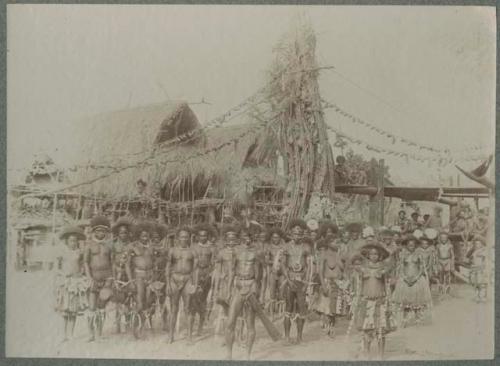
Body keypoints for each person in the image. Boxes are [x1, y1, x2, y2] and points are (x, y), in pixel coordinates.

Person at [225, 226, 264, 360]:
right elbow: (231, 271)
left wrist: (257, 291)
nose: (247, 238)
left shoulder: (257, 252)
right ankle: (229, 355)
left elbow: (259, 275)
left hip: (250, 285)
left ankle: (247, 354)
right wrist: (229, 290)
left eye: (250, 236)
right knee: (230, 322)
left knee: (250, 323)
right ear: (241, 237)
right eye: (245, 236)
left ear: (252, 237)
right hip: (238, 286)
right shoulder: (235, 251)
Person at [353, 243, 396, 359]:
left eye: (376, 254)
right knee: (367, 329)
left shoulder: (383, 269)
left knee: (380, 330)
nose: (374, 256)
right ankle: (366, 353)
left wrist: (391, 255)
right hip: (367, 302)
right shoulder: (362, 269)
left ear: (380, 255)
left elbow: (391, 267)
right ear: (367, 255)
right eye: (371, 254)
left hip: (380, 302)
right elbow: (355, 265)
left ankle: (381, 355)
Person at [54, 226, 88, 342]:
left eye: (75, 241)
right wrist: (61, 274)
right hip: (65, 282)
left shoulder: (79, 252)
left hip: (76, 282)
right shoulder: (62, 252)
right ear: (67, 241)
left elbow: (83, 265)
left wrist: (81, 272)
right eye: (71, 241)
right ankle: (63, 334)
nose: (73, 243)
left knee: (73, 310)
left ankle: (71, 334)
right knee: (65, 309)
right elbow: (57, 266)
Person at [83, 215, 114, 342]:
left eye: (102, 231)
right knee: (91, 307)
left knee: (101, 308)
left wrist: (111, 278)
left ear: (105, 233)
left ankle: (99, 333)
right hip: (93, 278)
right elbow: (85, 262)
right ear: (94, 232)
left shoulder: (109, 246)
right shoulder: (89, 245)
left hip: (106, 279)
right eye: (98, 231)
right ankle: (91, 334)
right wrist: (89, 277)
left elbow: (112, 263)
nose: (100, 233)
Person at [165, 227, 198, 343]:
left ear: (189, 238)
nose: (184, 239)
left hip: (188, 279)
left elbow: (195, 270)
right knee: (174, 309)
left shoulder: (193, 252)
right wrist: (168, 283)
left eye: (186, 237)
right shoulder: (172, 250)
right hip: (174, 279)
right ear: (178, 238)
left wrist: (195, 284)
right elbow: (168, 267)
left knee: (188, 309)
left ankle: (189, 336)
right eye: (182, 237)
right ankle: (171, 335)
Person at [281, 219, 311, 344]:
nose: (297, 236)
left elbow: (309, 267)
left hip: (301, 281)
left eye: (299, 234)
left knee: (301, 308)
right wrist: (287, 279)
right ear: (291, 234)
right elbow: (283, 264)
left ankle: (299, 337)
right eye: (295, 234)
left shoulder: (306, 247)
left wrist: (306, 283)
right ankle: (287, 337)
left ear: (303, 234)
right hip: (290, 280)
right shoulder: (286, 247)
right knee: (288, 307)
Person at [392, 236, 432, 326]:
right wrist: (405, 278)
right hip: (406, 279)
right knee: (405, 299)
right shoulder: (402, 255)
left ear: (416, 246)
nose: (411, 247)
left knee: (417, 299)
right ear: (406, 246)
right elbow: (401, 268)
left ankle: (418, 318)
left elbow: (421, 268)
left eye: (413, 245)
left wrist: (416, 278)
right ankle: (405, 318)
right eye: (409, 245)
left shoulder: (419, 255)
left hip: (416, 278)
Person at [126, 222, 156, 336]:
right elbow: (127, 265)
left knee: (148, 302)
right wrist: (130, 281)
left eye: (147, 235)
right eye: (143, 235)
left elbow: (154, 263)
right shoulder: (133, 247)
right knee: (139, 303)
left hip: (150, 277)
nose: (145, 237)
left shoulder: (152, 247)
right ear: (138, 235)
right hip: (138, 277)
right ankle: (136, 328)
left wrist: (154, 277)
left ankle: (144, 326)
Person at [316, 238, 346, 338]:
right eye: (335, 242)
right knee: (326, 307)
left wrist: (338, 257)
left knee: (334, 309)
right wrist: (323, 285)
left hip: (337, 283)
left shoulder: (338, 255)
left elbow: (342, 269)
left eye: (337, 242)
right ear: (329, 243)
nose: (337, 243)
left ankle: (331, 328)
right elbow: (320, 271)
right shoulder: (323, 255)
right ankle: (327, 326)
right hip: (327, 282)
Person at [213, 225, 239, 341]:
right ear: (226, 240)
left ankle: (238, 335)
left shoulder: (240, 252)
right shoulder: (221, 253)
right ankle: (226, 336)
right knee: (225, 309)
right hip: (224, 283)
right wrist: (216, 287)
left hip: (237, 283)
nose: (231, 242)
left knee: (238, 309)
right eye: (229, 240)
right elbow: (218, 271)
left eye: (233, 240)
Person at [192, 224, 217, 336]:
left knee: (203, 299)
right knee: (193, 298)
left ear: (208, 236)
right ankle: (194, 321)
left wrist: (208, 275)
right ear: (197, 236)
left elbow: (213, 264)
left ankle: (201, 325)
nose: (203, 237)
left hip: (206, 274)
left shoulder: (211, 248)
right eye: (201, 235)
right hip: (195, 274)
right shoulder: (193, 247)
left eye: (205, 235)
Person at [264, 227, 286, 316]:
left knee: (281, 292)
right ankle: (272, 312)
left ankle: (281, 312)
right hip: (272, 272)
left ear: (280, 238)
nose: (275, 239)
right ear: (271, 237)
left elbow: (286, 260)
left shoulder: (283, 247)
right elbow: (266, 260)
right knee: (272, 292)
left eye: (277, 237)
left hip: (281, 273)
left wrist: (281, 262)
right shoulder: (268, 247)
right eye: (273, 237)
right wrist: (275, 262)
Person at [467, 236, 488, 302]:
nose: (477, 245)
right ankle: (477, 296)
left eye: (479, 244)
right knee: (475, 283)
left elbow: (486, 260)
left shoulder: (484, 251)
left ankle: (482, 296)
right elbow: (469, 258)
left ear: (482, 244)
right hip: (474, 269)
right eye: (476, 244)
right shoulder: (473, 251)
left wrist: (485, 269)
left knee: (481, 283)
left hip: (481, 269)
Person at [435, 231, 455, 295]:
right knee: (440, 275)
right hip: (440, 261)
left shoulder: (450, 246)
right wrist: (437, 263)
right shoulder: (438, 246)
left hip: (447, 260)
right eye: (442, 238)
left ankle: (447, 288)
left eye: (445, 238)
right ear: (440, 238)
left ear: (447, 238)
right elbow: (436, 255)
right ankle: (440, 288)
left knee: (447, 275)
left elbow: (452, 255)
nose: (443, 239)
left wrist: (452, 264)